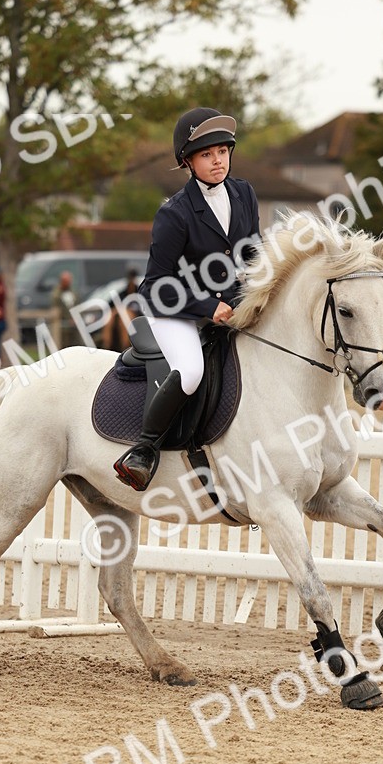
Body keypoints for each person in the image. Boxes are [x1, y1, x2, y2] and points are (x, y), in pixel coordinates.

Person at [114, 106, 260, 491]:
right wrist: (207, 306)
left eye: (223, 152)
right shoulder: (174, 214)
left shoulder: (244, 194)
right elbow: (155, 286)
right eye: (207, 155)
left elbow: (252, 254)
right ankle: (143, 450)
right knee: (192, 371)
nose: (218, 162)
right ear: (188, 161)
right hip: (176, 312)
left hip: (229, 308)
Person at [103, 268, 140, 353]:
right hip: (121, 316)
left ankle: (125, 345)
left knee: (126, 315)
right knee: (112, 314)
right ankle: (106, 343)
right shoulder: (123, 293)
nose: (131, 281)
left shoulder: (140, 292)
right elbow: (111, 305)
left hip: (135, 318)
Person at [49, 270, 76, 348]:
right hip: (61, 325)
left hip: (72, 326)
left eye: (69, 280)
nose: (68, 283)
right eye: (66, 281)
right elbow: (56, 307)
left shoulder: (73, 292)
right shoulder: (57, 293)